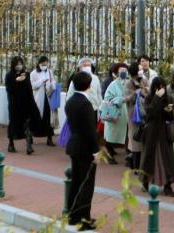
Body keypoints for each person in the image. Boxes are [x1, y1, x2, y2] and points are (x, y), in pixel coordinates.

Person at [65, 71, 100, 232]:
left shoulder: (71, 101)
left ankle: (73, 215)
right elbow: (90, 131)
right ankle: (84, 219)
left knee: (76, 182)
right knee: (86, 185)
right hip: (85, 148)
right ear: (88, 85)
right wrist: (96, 150)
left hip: (74, 145)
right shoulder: (85, 104)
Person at [139, 77, 174, 197]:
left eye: (162, 87)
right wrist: (156, 98)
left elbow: (171, 118)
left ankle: (167, 185)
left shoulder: (169, 98)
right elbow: (148, 114)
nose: (160, 89)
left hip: (164, 133)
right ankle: (145, 182)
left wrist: (169, 111)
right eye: (157, 87)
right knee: (148, 157)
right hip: (151, 132)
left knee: (167, 159)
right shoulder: (149, 98)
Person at [5, 56, 39, 154]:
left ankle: (29, 146)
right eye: (17, 64)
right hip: (15, 104)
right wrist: (17, 81)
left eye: (20, 64)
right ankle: (11, 143)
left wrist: (32, 103)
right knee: (13, 124)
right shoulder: (9, 75)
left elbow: (29, 89)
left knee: (27, 124)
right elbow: (9, 90)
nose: (19, 66)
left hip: (26, 103)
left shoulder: (26, 74)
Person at [102, 63, 130, 164]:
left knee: (129, 136)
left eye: (125, 70)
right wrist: (121, 99)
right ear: (117, 72)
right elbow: (107, 99)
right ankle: (108, 155)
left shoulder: (130, 82)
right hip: (116, 115)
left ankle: (129, 158)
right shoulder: (113, 85)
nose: (124, 72)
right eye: (121, 70)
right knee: (110, 138)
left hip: (128, 115)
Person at [30, 55, 56, 146]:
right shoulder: (33, 73)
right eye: (43, 64)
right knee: (36, 117)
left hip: (48, 97)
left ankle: (49, 139)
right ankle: (31, 137)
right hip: (38, 98)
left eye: (46, 64)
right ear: (39, 64)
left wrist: (52, 84)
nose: (45, 65)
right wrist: (41, 81)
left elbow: (53, 80)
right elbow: (32, 86)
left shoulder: (49, 72)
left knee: (48, 118)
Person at [124, 63, 145, 169]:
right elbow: (127, 98)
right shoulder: (128, 83)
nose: (142, 70)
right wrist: (136, 93)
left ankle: (134, 161)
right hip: (133, 114)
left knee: (142, 140)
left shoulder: (143, 80)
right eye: (140, 69)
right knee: (135, 139)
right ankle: (135, 165)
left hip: (143, 113)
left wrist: (143, 90)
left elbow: (148, 92)